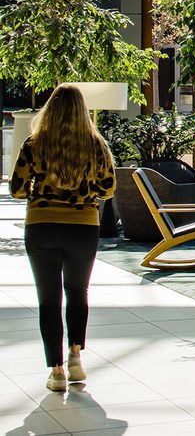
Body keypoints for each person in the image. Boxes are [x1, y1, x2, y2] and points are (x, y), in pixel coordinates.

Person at [10, 86, 116, 392]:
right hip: (83, 227)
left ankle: (56, 371)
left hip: (42, 226)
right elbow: (108, 189)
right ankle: (75, 356)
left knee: (49, 300)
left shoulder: (34, 143)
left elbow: (16, 189)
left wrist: (40, 191)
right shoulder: (95, 145)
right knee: (77, 291)